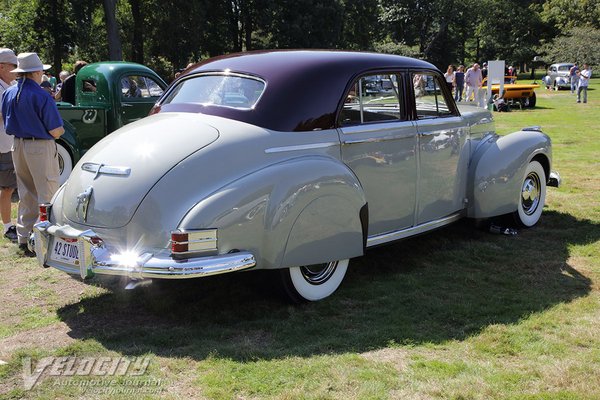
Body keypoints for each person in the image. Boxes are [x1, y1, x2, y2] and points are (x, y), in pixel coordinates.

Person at [1, 53, 64, 256]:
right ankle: (46, 239)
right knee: (47, 191)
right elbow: (55, 130)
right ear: (36, 72)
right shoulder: (41, 94)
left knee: (26, 192)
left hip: (17, 144)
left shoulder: (8, 92)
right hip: (39, 146)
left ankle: (24, 236)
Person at [0, 48, 18, 242]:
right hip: (2, 144)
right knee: (6, 188)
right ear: (1, 67)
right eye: (13, 66)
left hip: (10, 143)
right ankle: (7, 226)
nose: (15, 70)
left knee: (9, 187)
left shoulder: (11, 84)